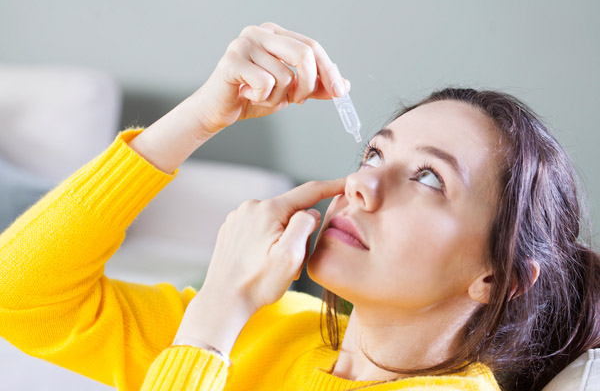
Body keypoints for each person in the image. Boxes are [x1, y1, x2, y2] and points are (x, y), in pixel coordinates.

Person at [0, 22, 598, 391]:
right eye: (372, 154)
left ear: (495, 279)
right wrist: (202, 115)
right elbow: (21, 295)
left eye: (427, 177)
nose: (360, 186)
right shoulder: (274, 327)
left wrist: (212, 323)